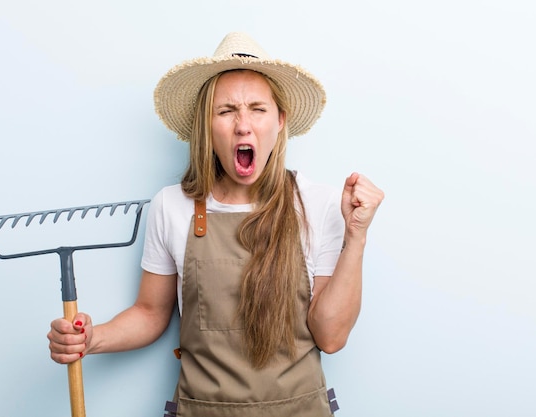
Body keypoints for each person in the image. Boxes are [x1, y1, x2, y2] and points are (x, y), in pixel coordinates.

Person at [47, 32, 384, 417]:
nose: (243, 126)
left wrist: (356, 237)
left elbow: (332, 336)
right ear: (206, 126)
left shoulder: (318, 204)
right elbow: (150, 312)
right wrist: (92, 339)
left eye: (258, 109)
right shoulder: (171, 206)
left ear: (280, 121)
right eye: (226, 111)